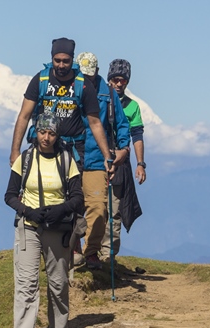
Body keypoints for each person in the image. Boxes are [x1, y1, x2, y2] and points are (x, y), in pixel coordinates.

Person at [4, 113, 84, 328]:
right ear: (36, 132)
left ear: (57, 135)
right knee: (26, 284)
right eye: (42, 132)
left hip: (57, 229)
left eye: (51, 133)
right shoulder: (25, 159)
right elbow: (10, 195)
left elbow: (78, 198)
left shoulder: (66, 160)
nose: (46, 138)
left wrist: (59, 210)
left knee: (58, 284)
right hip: (28, 227)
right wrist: (28, 211)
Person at [9, 37, 114, 177]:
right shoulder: (40, 80)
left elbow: (95, 123)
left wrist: (107, 156)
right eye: (57, 60)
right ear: (52, 58)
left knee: (73, 195)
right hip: (43, 148)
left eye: (66, 61)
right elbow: (24, 116)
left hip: (73, 150)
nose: (61, 65)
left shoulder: (83, 84)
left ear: (72, 60)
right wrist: (15, 151)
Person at [75, 52, 131, 270]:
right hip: (71, 156)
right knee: (70, 210)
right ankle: (72, 251)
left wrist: (122, 150)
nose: (88, 78)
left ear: (97, 72)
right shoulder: (69, 89)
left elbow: (122, 124)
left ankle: (90, 252)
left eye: (91, 75)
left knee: (99, 210)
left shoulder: (107, 93)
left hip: (99, 159)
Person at [99, 59, 146, 262]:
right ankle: (91, 251)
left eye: (123, 80)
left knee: (114, 210)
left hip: (120, 164)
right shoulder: (99, 101)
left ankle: (108, 256)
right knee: (96, 208)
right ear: (109, 80)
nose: (119, 84)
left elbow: (137, 135)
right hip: (96, 161)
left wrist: (140, 163)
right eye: (116, 79)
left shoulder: (132, 107)